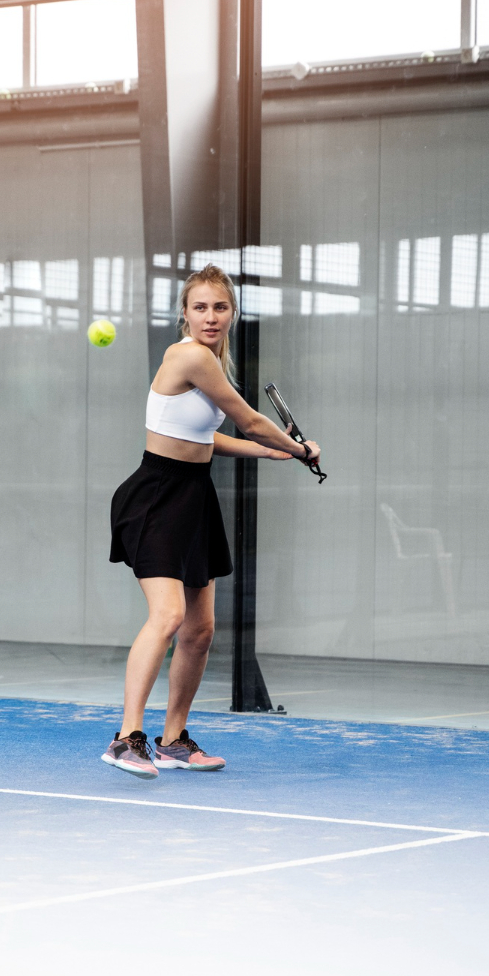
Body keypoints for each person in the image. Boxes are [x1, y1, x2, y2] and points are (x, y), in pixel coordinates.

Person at [103, 264, 322, 778]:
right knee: (169, 616)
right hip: (155, 497)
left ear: (232, 313)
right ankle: (126, 737)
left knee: (200, 630)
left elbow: (207, 437)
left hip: (195, 500)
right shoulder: (189, 356)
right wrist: (298, 448)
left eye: (220, 307)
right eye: (199, 307)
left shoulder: (212, 366)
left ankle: (173, 740)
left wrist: (267, 456)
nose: (210, 316)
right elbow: (250, 419)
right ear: (184, 313)